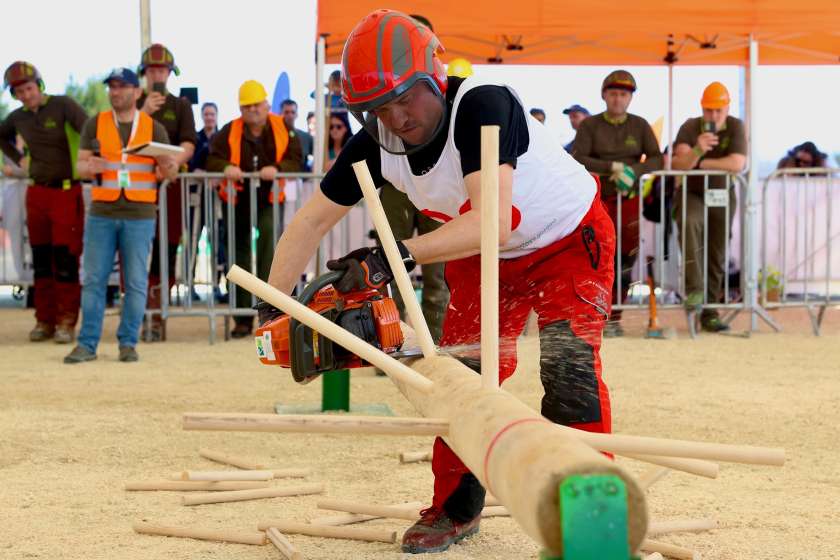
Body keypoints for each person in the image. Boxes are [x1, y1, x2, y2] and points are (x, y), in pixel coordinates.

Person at [261, 10, 615, 553]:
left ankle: (591, 517)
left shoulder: (483, 104)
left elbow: (495, 220)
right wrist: (272, 307)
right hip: (479, 249)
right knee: (461, 374)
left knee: (567, 371)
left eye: (408, 98)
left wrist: (391, 258)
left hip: (565, 240)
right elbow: (310, 222)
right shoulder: (376, 143)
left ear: (435, 74)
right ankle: (454, 507)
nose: (398, 116)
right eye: (379, 107)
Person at [64, 68, 177, 364]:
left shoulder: (154, 128)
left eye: (121, 86)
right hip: (101, 213)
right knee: (93, 280)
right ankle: (87, 344)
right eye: (112, 87)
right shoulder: (95, 124)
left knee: (137, 282)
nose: (115, 92)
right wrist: (90, 168)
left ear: (136, 92)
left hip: (140, 215)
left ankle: (128, 343)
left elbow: (170, 172)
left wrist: (168, 163)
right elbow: (80, 167)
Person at [0, 61, 88, 343]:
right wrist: (19, 159)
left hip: (66, 191)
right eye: (19, 92)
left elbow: (90, 130)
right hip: (36, 192)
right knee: (40, 258)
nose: (26, 95)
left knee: (65, 258)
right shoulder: (17, 117)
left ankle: (66, 321)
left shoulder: (64, 105)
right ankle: (44, 320)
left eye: (28, 88)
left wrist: (87, 162)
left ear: (39, 85)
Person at [207, 80, 302, 338]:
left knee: (269, 251)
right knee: (237, 257)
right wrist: (226, 167)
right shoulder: (229, 131)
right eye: (247, 106)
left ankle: (268, 314)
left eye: (257, 105)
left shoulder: (283, 128)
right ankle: (240, 318)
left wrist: (279, 170)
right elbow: (212, 156)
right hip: (237, 200)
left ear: (266, 105)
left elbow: (297, 158)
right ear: (240, 109)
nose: (253, 110)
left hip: (269, 200)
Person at [572, 70, 663, 336]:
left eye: (623, 94)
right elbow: (578, 157)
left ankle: (615, 317)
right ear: (604, 95)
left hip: (630, 201)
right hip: (599, 200)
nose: (617, 99)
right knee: (597, 255)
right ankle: (592, 314)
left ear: (630, 98)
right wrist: (611, 167)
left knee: (625, 257)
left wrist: (634, 171)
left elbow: (658, 158)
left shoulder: (640, 125)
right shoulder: (590, 126)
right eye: (613, 94)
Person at [671, 81, 746, 332]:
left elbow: (737, 163)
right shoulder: (690, 127)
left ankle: (711, 310)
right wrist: (697, 149)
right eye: (709, 110)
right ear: (702, 108)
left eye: (718, 110)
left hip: (722, 193)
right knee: (690, 225)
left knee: (717, 247)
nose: (713, 115)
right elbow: (679, 163)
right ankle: (694, 294)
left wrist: (700, 164)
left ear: (727, 108)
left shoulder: (736, 126)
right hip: (692, 192)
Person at [137, 43, 197, 341]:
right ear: (144, 74)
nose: (157, 74)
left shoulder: (181, 106)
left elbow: (189, 143)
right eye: (152, 70)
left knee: (166, 248)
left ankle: (157, 315)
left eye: (162, 70)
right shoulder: (134, 105)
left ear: (170, 73)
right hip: (135, 187)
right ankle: (137, 312)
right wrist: (144, 111)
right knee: (135, 250)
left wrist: (171, 163)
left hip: (170, 186)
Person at [281, 99, 313, 171]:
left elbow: (319, 155)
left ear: (297, 114)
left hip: (302, 178)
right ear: (281, 113)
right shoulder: (273, 135)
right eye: (286, 112)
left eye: (293, 112)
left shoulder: (306, 137)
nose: (290, 115)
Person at [189, 102, 218, 172]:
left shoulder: (223, 138)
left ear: (217, 116)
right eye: (206, 114)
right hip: (196, 179)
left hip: (218, 180)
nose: (209, 117)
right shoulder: (194, 137)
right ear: (202, 116)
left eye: (212, 114)